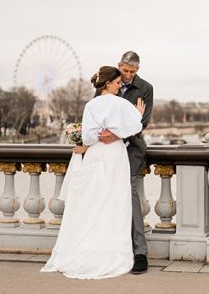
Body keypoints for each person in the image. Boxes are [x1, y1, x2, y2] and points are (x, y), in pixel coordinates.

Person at [42, 66, 145, 279]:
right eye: (117, 83)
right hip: (115, 156)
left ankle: (89, 250)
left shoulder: (91, 105)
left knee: (94, 202)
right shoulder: (122, 104)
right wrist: (137, 115)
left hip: (96, 154)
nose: (120, 86)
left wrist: (100, 136)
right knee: (115, 203)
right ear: (108, 83)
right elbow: (135, 126)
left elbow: (88, 138)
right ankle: (113, 250)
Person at [96, 51, 154, 274]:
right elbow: (98, 116)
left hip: (132, 149)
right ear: (119, 65)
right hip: (108, 147)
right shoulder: (107, 83)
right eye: (125, 71)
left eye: (132, 72)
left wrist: (117, 134)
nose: (128, 76)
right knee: (106, 193)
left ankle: (140, 252)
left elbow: (142, 123)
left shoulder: (146, 89)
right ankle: (112, 248)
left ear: (138, 70)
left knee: (130, 192)